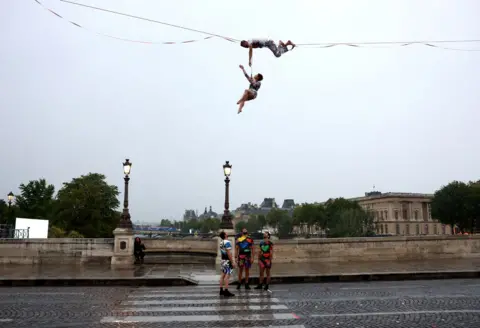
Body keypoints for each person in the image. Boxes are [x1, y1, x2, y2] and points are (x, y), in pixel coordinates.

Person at [219, 231, 236, 297]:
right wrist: (232, 262)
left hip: (223, 260)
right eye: (226, 233)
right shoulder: (227, 242)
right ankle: (226, 291)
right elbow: (229, 253)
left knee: (222, 275)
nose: (227, 233)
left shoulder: (221, 243)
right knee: (227, 276)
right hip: (227, 261)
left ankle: (221, 290)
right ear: (225, 235)